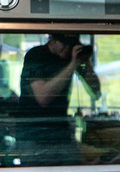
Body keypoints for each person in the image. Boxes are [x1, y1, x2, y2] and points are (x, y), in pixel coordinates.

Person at [15, 33, 99, 164]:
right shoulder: (36, 55)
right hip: (33, 134)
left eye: (70, 45)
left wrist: (85, 63)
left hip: (60, 132)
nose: (67, 49)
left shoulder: (70, 58)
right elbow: (43, 98)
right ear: (51, 39)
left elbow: (96, 91)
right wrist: (72, 66)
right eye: (64, 44)